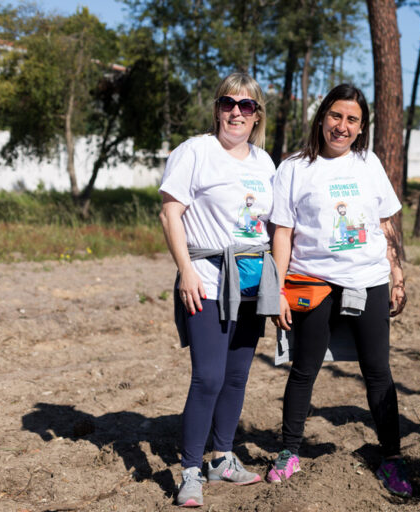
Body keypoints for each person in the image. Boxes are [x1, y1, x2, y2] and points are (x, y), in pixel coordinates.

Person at [267, 84, 411, 498]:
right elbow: (283, 233)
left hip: (368, 280)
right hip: (313, 282)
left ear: (361, 127)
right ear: (321, 117)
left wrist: (396, 274)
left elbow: (386, 224)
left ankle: (392, 459)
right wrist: (276, 290)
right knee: (304, 368)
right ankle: (288, 452)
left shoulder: (369, 164)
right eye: (335, 116)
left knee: (378, 372)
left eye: (351, 120)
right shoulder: (294, 167)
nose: (341, 126)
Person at [159, 72, 278, 507]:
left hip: (250, 281)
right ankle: (191, 469)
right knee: (207, 377)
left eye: (246, 106)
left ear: (256, 115)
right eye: (228, 103)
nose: (236, 112)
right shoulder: (195, 151)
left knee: (236, 376)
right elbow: (171, 214)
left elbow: (273, 225)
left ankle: (222, 457)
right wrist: (185, 270)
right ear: (217, 108)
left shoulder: (265, 163)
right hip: (206, 279)